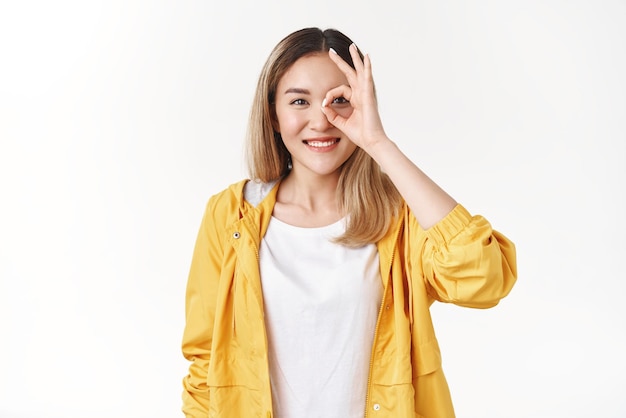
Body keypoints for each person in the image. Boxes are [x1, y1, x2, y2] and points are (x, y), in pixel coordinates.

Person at [181, 27, 517, 418]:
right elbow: (206, 364)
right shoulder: (229, 215)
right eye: (299, 101)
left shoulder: (400, 217)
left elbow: (486, 278)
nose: (321, 121)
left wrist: (378, 144)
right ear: (273, 114)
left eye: (338, 101)